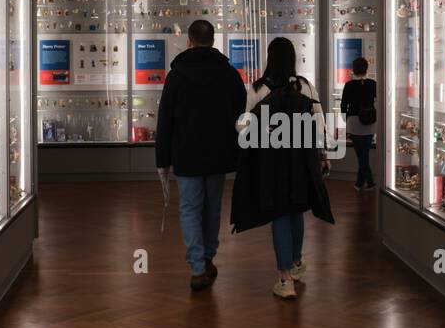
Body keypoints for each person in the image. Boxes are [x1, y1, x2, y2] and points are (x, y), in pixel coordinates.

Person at [230, 37, 335, 299]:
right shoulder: (305, 87)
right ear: (293, 60)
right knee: (297, 209)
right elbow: (319, 122)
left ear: (269, 58)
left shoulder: (257, 89)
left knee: (279, 213)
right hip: (301, 159)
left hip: (270, 162)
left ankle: (285, 279)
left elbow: (243, 126)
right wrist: (323, 154)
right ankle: (297, 263)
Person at [156, 19, 247, 292]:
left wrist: (162, 159)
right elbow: (240, 113)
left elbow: (165, 120)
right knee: (213, 208)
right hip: (218, 153)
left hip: (186, 154)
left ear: (189, 41)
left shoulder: (177, 76)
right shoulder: (229, 75)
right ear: (214, 40)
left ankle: (197, 267)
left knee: (189, 208)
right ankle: (207, 257)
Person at [339, 56, 377, 190]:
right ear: (366, 69)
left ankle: (369, 182)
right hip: (370, 122)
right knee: (364, 152)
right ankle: (360, 183)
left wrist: (345, 119)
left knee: (361, 154)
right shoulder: (373, 84)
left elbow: (343, 105)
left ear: (353, 70)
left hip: (354, 122)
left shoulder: (349, 85)